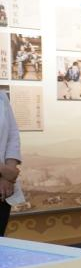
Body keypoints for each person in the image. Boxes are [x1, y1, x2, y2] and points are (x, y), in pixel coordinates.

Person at [0, 89, 23, 235]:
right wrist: (5, 171)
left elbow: (13, 134)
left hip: (3, 187)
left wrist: (8, 173)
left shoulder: (2, 96)